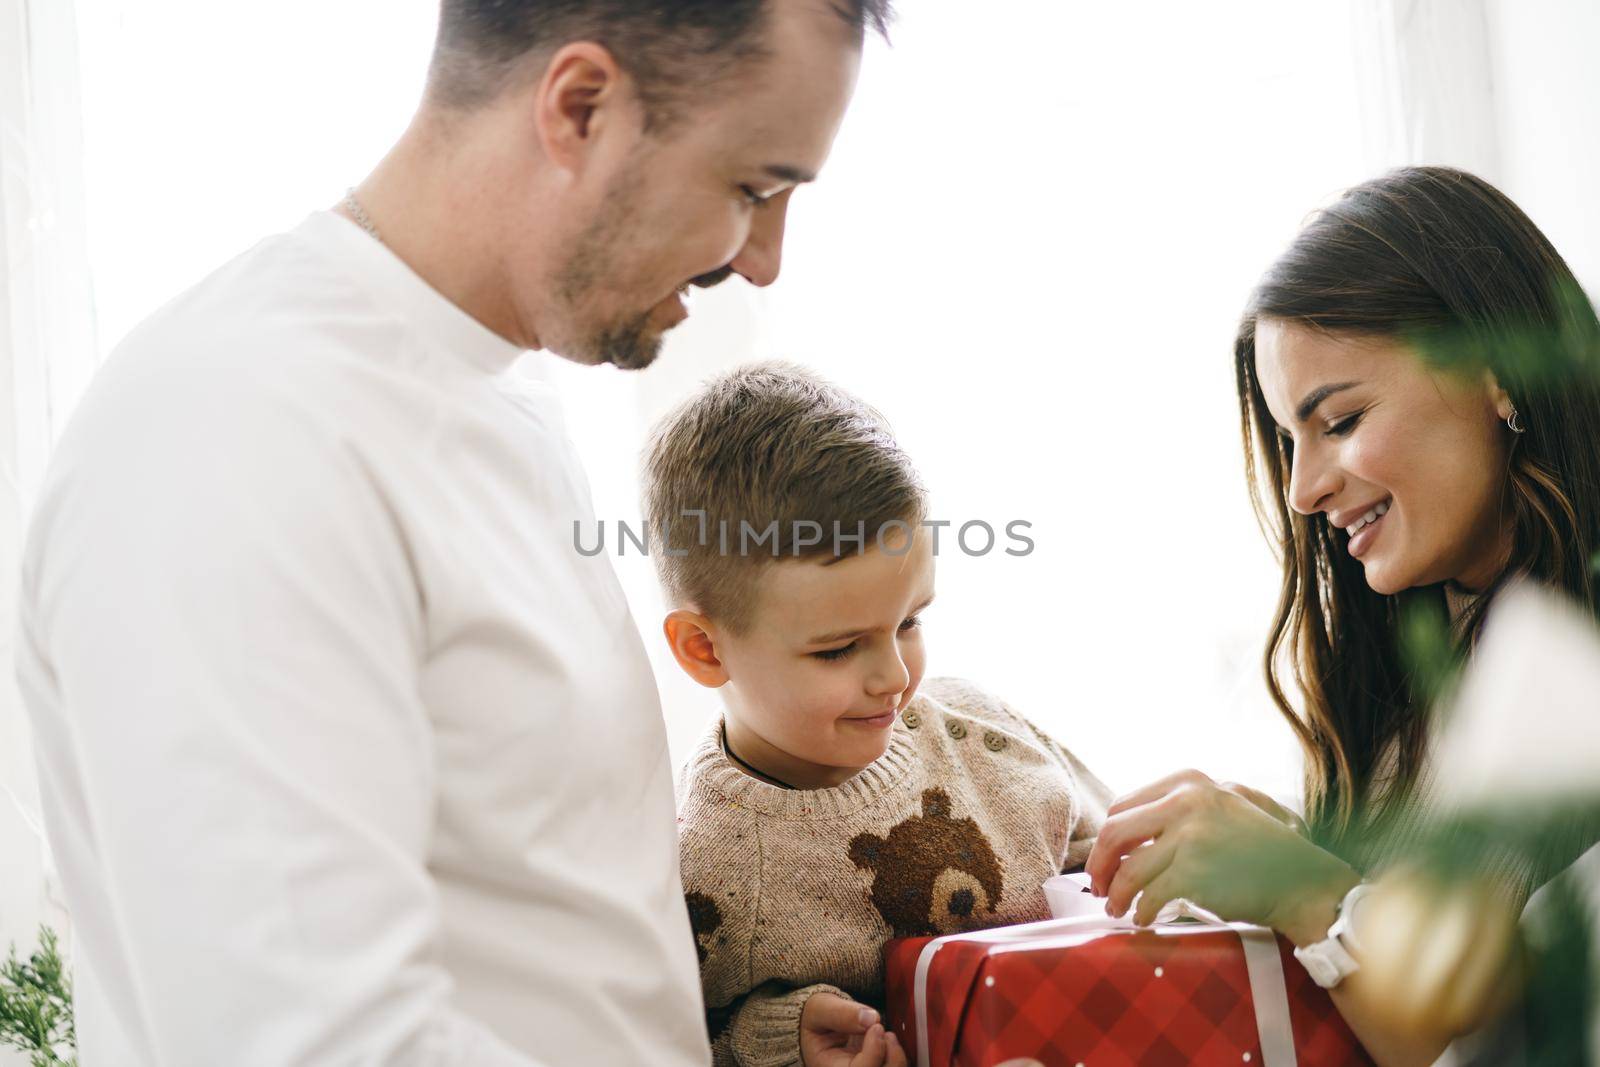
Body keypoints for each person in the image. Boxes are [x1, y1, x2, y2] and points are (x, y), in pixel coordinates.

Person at [16, 2, 890, 1063]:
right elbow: (310, 1041)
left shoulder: (497, 383)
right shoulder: (238, 426)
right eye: (751, 188)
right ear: (580, 107)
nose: (763, 261)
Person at [1084, 166, 1600, 1066]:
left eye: (1343, 419)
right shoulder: (1418, 661)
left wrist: (1302, 885)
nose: (1303, 487)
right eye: (1291, 439)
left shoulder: (1564, 667)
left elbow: (1467, 1019)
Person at [643, 362, 1112, 1067]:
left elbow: (1127, 871)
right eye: (837, 651)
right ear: (706, 649)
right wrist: (773, 1042)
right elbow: (670, 1044)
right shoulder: (697, 868)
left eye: (910, 621)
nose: (895, 677)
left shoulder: (991, 734)